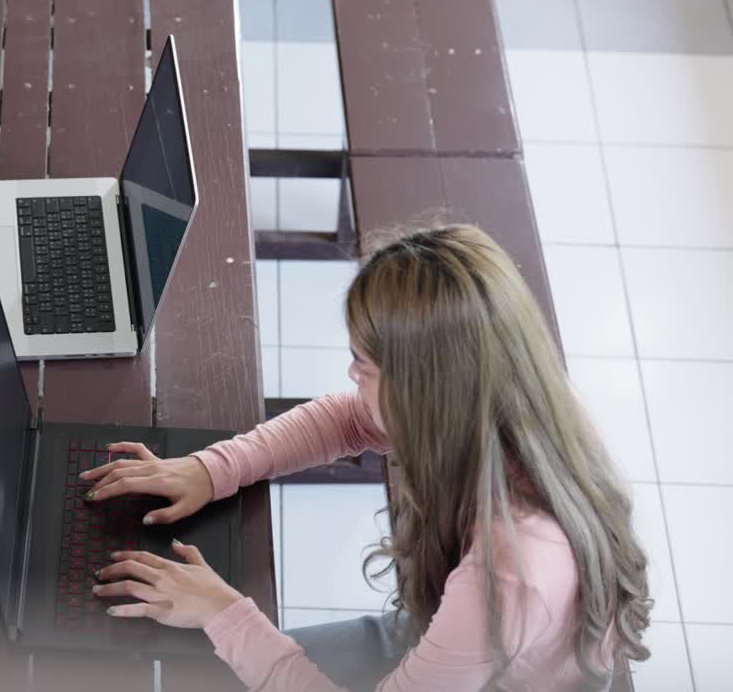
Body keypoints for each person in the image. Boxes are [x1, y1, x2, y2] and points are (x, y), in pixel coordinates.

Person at [83, 224, 651, 691]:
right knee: (215, 660)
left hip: (494, 667)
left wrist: (222, 612)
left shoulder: (510, 573)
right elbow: (348, 416)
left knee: (216, 659)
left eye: (367, 366)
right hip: (455, 639)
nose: (352, 376)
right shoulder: (506, 396)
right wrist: (213, 469)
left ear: (426, 390)